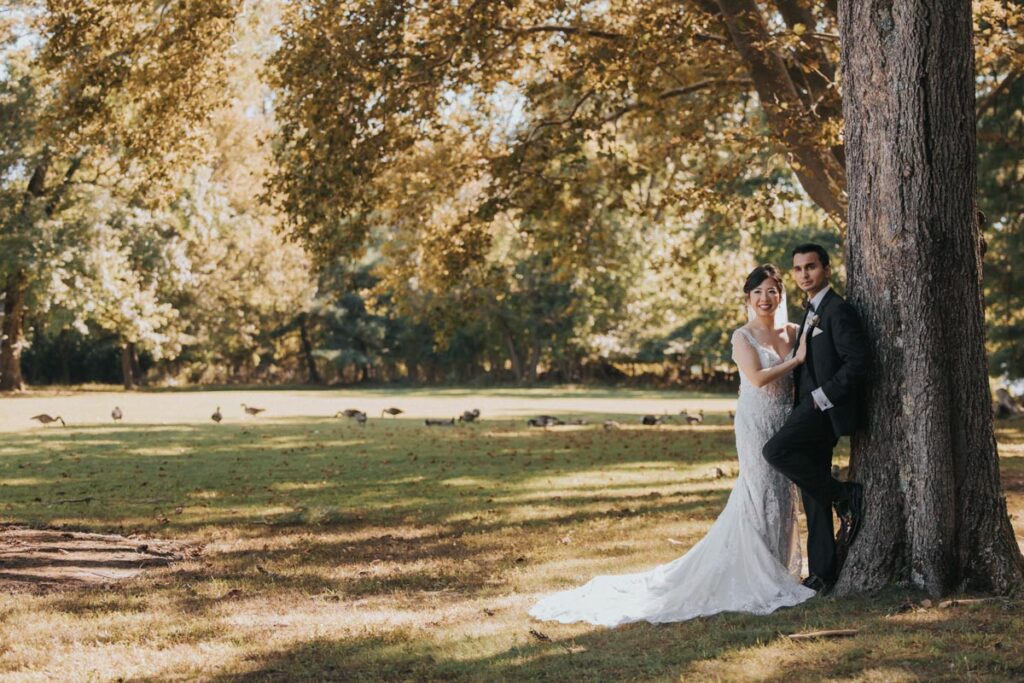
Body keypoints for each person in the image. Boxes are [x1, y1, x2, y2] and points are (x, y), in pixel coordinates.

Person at [529, 264, 815, 627]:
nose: (765, 298)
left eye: (772, 291)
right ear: (747, 298)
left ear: (781, 294)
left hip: (786, 421)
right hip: (756, 421)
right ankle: (755, 571)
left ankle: (778, 563)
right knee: (760, 490)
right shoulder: (742, 336)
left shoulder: (794, 330)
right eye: (757, 292)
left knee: (783, 491)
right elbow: (757, 379)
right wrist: (797, 359)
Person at [762, 243, 868, 594]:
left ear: (825, 268)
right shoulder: (811, 311)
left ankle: (843, 494)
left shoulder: (838, 310)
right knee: (812, 493)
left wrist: (823, 397)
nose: (804, 274)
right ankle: (823, 574)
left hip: (822, 408)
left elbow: (858, 363)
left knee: (775, 452)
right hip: (804, 406)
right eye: (798, 269)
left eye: (811, 267)